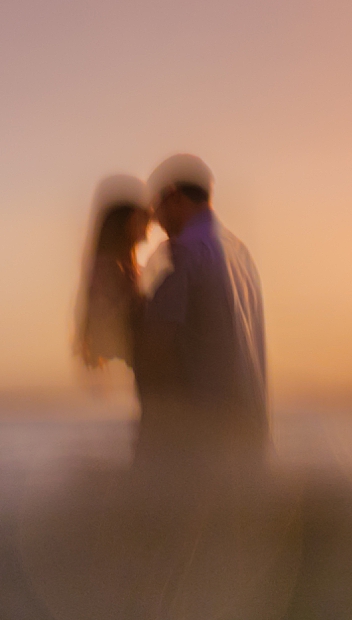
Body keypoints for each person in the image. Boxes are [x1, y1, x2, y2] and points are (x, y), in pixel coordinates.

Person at [134, 154, 268, 468]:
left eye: (156, 209)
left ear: (174, 196)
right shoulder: (239, 253)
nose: (156, 222)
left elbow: (157, 342)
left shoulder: (184, 255)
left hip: (200, 440)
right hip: (246, 434)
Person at [73, 175, 150, 371]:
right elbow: (114, 332)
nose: (149, 227)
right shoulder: (108, 269)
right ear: (126, 222)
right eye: (144, 218)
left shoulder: (124, 267)